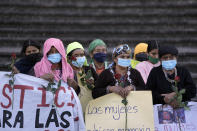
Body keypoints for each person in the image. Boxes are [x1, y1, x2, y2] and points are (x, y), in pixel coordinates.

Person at [34, 38, 85, 130]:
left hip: (64, 113)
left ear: (61, 51)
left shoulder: (68, 69)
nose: (54, 54)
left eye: (57, 51)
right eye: (51, 52)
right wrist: (40, 79)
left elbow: (75, 92)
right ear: (46, 53)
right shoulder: (38, 68)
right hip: (44, 112)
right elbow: (29, 87)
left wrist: (74, 85)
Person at [66, 42, 98, 114]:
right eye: (76, 55)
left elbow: (100, 85)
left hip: (91, 110)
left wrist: (94, 83)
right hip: (74, 110)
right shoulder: (66, 73)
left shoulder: (89, 70)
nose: (80, 57)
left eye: (82, 55)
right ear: (69, 58)